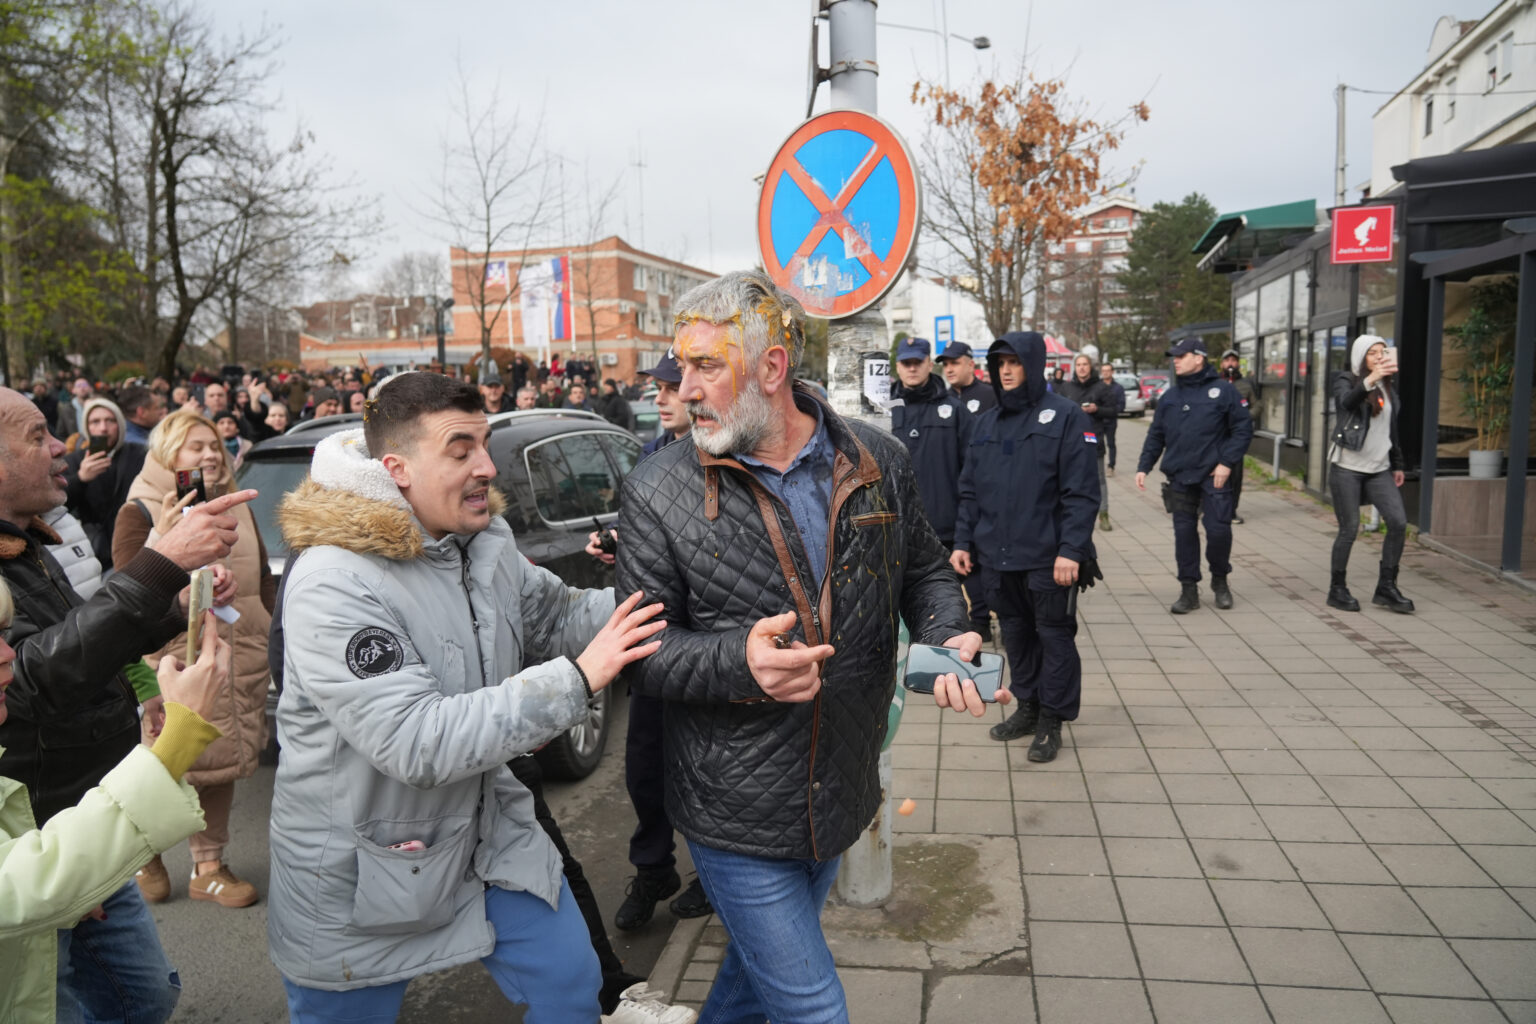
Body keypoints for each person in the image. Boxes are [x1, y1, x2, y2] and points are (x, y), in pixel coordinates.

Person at [615, 271, 1003, 1022]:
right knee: (813, 1007)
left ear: (770, 368)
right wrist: (740, 663)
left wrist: (947, 632)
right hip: (733, 806)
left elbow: (923, 569)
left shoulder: (877, 460)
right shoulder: (657, 489)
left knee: (750, 986)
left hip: (840, 786)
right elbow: (643, 653)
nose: (682, 387)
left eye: (705, 367)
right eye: (680, 365)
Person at [266, 371, 666, 1021]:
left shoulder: (486, 541)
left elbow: (559, 618)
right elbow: (417, 741)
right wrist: (577, 680)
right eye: (460, 450)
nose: (486, 465)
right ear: (395, 468)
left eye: (484, 442)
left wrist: (671, 600)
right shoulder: (333, 580)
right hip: (362, 870)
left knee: (571, 982)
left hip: (486, 836)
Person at [0, 386, 253, 1023]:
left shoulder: (30, 541)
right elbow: (34, 678)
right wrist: (160, 562)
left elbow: (80, 637)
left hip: (83, 821)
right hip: (41, 838)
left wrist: (171, 598)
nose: (61, 445)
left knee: (143, 996)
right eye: (36, 436)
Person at [0, 588, 235, 1024]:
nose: (8, 655)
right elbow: (17, 884)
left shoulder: (43, 552)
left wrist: (75, 872)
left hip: (81, 840)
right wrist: (180, 737)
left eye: (3, 632)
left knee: (146, 995)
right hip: (76, 852)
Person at [115, 409, 276, 908]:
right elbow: (126, 592)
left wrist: (275, 633)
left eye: (213, 445)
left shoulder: (236, 504)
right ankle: (145, 856)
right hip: (167, 658)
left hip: (235, 650)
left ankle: (209, 867)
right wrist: (164, 545)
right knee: (165, 763)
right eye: (195, 446)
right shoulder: (139, 510)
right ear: (168, 453)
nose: (209, 454)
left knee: (220, 762)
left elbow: (263, 578)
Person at [584, 348, 712, 933]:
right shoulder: (650, 456)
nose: (662, 397)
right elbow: (650, 536)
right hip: (655, 637)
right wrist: (617, 542)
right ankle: (653, 867)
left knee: (707, 766)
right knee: (645, 766)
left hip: (709, 642)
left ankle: (713, 876)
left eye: (670, 386)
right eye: (657, 387)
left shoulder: (722, 455)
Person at [952, 332, 1100, 759]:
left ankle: (1052, 720)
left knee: (1054, 636)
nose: (1007, 371)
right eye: (1000, 364)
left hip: (1050, 557)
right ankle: (1028, 705)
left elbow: (1082, 492)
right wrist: (963, 541)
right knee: (1015, 634)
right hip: (998, 556)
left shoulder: (1066, 416)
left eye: (1015, 363)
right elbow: (970, 491)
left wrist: (1072, 549)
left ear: (1033, 366)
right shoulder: (985, 422)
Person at [1136, 337, 1254, 614]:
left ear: (1199, 358)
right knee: (1184, 534)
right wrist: (1144, 466)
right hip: (1180, 476)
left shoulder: (1223, 391)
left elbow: (1242, 429)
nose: (1175, 360)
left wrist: (1227, 463)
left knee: (1218, 531)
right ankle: (1188, 589)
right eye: (1174, 356)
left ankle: (1220, 580)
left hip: (1214, 476)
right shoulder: (1170, 397)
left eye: (1181, 355)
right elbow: (1156, 435)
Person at [890, 338, 986, 640]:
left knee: (953, 606)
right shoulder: (883, 410)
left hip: (943, 529)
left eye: (918, 361)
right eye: (907, 363)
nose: (913, 368)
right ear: (898, 367)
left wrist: (964, 534)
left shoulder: (954, 410)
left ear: (930, 364)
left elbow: (972, 475)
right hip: (896, 529)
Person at [1327, 335, 1414, 614]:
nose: (1379, 356)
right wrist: (1371, 378)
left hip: (1380, 470)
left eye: (1382, 352)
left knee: (1399, 523)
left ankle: (1386, 587)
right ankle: (1337, 589)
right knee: (1350, 529)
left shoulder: (1389, 387)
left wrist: (1397, 464)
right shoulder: (1346, 379)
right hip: (1347, 469)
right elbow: (1346, 403)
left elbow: (1391, 430)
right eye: (1372, 353)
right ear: (1361, 357)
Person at [64, 396, 148, 568]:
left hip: (136, 545)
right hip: (97, 550)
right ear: (86, 427)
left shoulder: (139, 453)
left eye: (110, 420)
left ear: (120, 424)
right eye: (95, 422)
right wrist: (80, 479)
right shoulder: (74, 460)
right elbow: (61, 504)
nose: (103, 428)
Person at [1055, 353, 1115, 532]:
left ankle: (1103, 514)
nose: (1082, 367)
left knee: (1098, 479)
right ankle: (1069, 515)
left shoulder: (1101, 387)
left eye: (1085, 364)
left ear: (1090, 367)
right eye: (1079, 364)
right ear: (1075, 368)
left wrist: (1097, 409)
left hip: (1093, 440)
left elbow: (1113, 410)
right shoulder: (1066, 388)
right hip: (1070, 442)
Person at [1218, 349, 1258, 523]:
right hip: (1216, 436)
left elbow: (1258, 405)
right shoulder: (1215, 383)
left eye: (1234, 361)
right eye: (1227, 361)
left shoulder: (1246, 385)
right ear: (1222, 364)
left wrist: (1245, 418)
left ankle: (1231, 510)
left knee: (1235, 474)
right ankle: (1205, 507)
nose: (1231, 364)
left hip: (1236, 437)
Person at [936, 341, 996, 415]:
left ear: (971, 365)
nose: (949, 370)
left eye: (954, 363)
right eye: (945, 364)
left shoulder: (991, 395)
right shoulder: (941, 400)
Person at [1098, 362, 1126, 475]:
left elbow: (1121, 405)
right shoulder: (1097, 386)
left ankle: (1111, 466)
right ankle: (1098, 466)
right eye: (1103, 371)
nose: (1105, 373)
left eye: (1107, 370)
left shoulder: (1118, 388)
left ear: (1112, 372)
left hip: (1111, 421)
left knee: (1111, 443)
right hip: (1098, 420)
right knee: (1098, 444)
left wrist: (1112, 411)